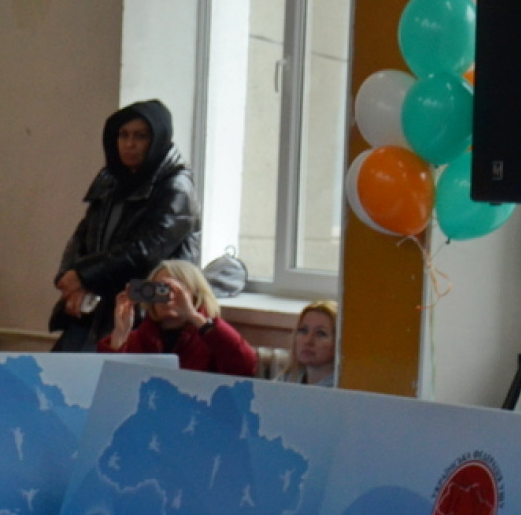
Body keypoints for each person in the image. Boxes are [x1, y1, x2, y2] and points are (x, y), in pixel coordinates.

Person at [51, 99, 200, 352]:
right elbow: (82, 236)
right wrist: (69, 281)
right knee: (59, 370)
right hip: (99, 301)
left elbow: (146, 251)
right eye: (124, 135)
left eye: (140, 136)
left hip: (153, 304)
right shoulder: (111, 179)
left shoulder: (177, 186)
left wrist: (85, 277)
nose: (129, 144)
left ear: (157, 139)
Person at [99, 258, 258, 377]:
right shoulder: (138, 340)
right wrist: (120, 334)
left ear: (195, 295)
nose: (168, 297)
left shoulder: (211, 340)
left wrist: (195, 316)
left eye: (177, 290)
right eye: (160, 290)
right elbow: (107, 382)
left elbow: (245, 367)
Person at [278, 300, 338, 387]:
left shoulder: (343, 388)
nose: (308, 341)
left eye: (320, 333)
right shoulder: (287, 380)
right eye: (303, 330)